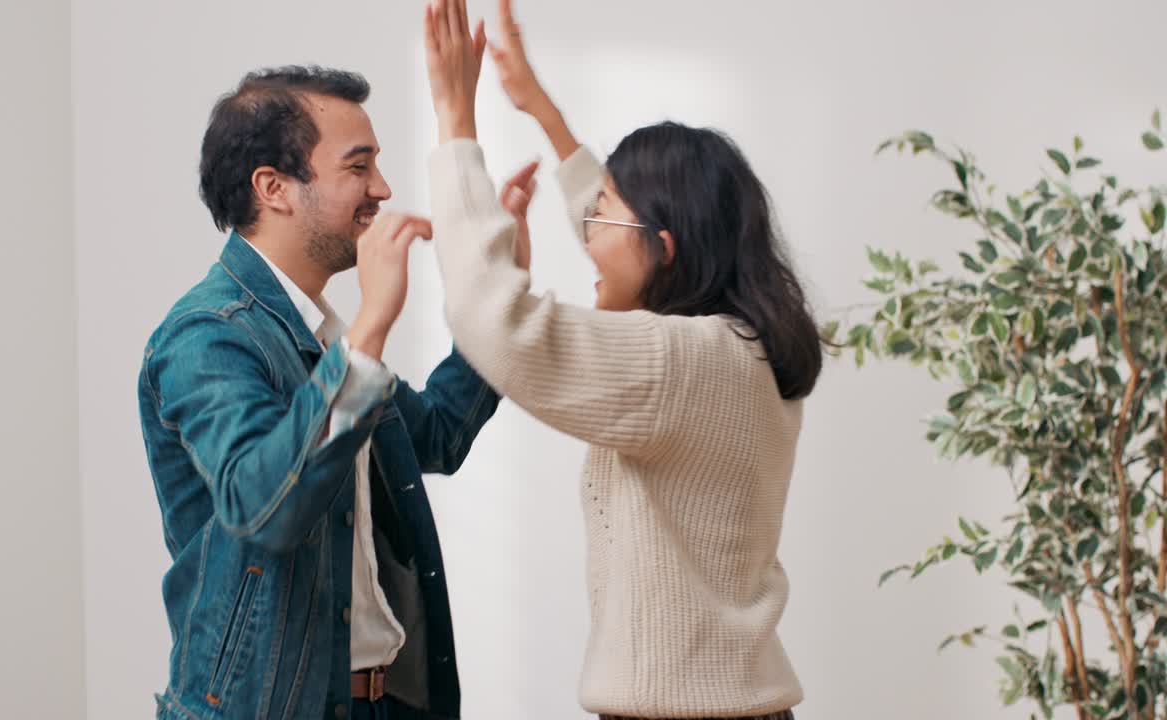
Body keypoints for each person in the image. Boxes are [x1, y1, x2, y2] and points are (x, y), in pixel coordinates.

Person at [421, 1, 824, 717]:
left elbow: (496, 317)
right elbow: (627, 235)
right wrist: (539, 109)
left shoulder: (679, 362)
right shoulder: (740, 344)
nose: (586, 233)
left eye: (601, 214)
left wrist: (455, 124)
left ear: (665, 248)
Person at [138, 65, 500, 720]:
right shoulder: (205, 337)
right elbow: (265, 506)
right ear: (274, 188)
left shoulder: (326, 339)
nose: (382, 190)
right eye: (358, 168)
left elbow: (439, 434)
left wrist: (498, 298)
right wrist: (371, 329)